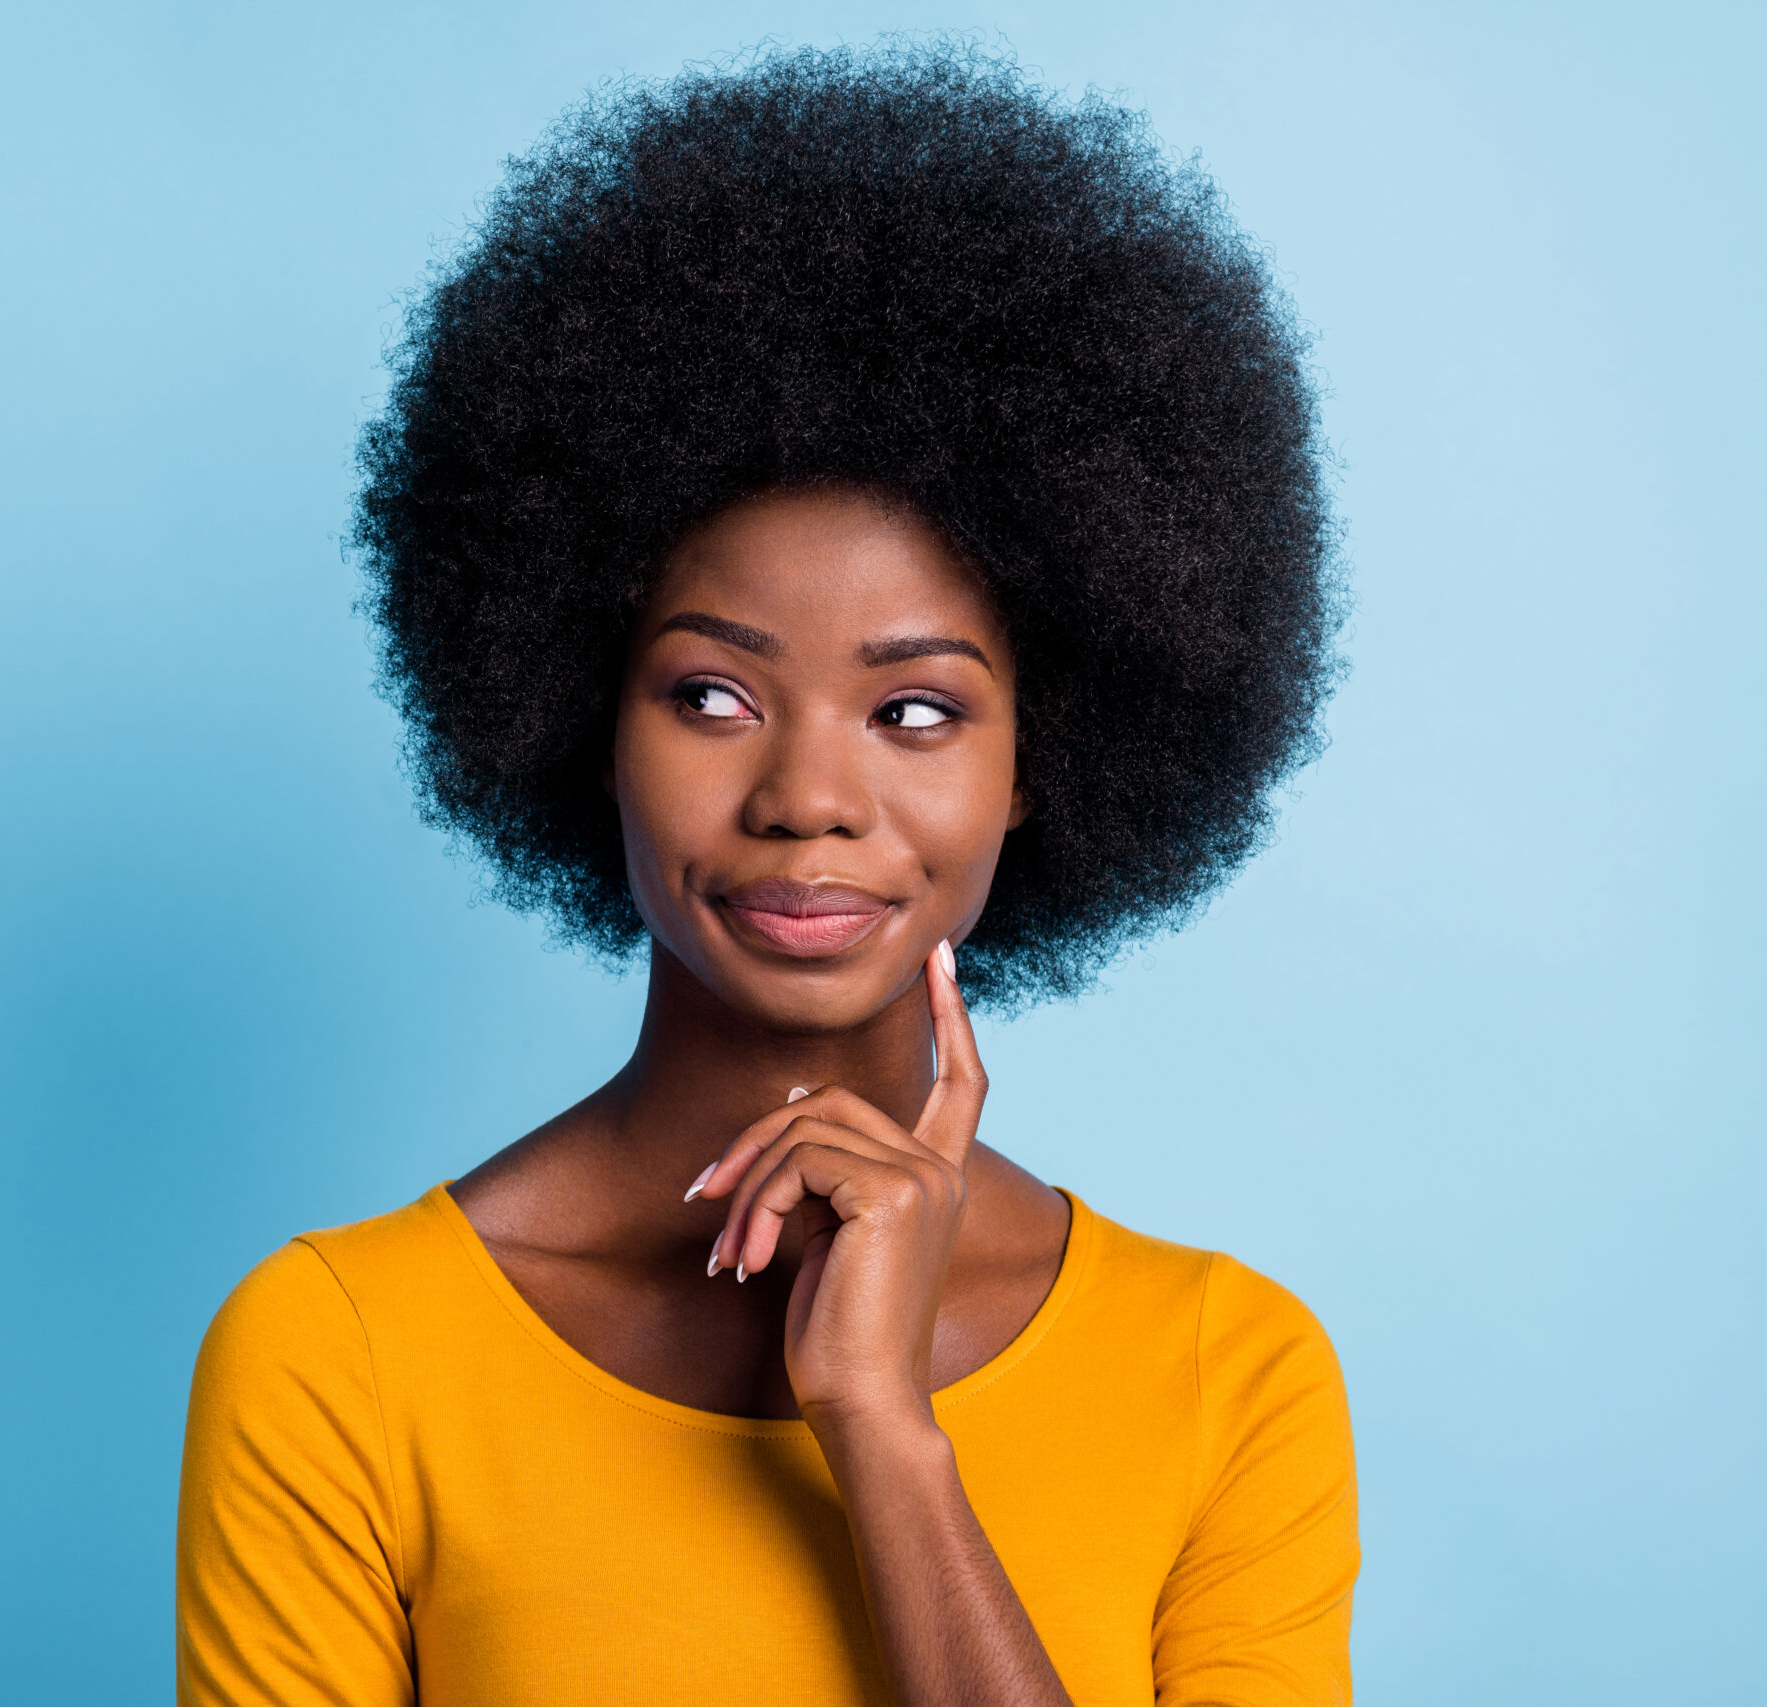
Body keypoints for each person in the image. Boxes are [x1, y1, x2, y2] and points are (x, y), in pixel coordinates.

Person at [177, 43, 1354, 1707]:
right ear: (587, 716)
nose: (810, 796)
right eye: (713, 696)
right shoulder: (340, 1355)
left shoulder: (1230, 1376)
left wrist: (884, 1430)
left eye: (917, 709)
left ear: (1042, 765)